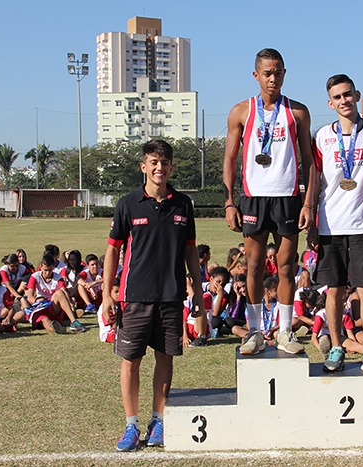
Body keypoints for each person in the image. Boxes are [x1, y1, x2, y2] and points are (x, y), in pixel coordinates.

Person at [101, 139, 205, 451]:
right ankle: (131, 425)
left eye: (165, 163)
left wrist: (197, 292)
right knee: (130, 361)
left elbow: (190, 253)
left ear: (171, 167)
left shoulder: (183, 204)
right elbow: (112, 251)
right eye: (153, 162)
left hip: (171, 297)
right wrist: (107, 293)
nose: (159, 168)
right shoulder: (128, 203)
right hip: (134, 298)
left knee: (165, 360)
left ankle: (158, 419)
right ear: (144, 166)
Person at [222, 48, 317, 356]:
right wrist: (229, 202)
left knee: (286, 267)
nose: (273, 78)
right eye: (267, 73)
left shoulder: (298, 112)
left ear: (285, 74)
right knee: (252, 266)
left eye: (278, 72)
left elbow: (309, 161)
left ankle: (287, 331)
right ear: (256, 75)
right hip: (253, 199)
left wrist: (308, 203)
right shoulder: (241, 111)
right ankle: (254, 332)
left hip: (288, 198)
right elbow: (230, 159)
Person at [308, 74, 363, 375]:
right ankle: (338, 347)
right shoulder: (322, 136)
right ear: (330, 103)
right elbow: (316, 179)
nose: (344, 101)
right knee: (334, 291)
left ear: (356, 95)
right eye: (337, 97)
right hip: (331, 225)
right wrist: (311, 217)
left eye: (348, 95)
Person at [25, 254, 86, 334]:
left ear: (53, 267)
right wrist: (38, 300)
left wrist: (70, 302)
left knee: (59, 293)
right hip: (39, 307)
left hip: (53, 306)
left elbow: (63, 291)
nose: (48, 273)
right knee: (45, 320)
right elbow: (30, 297)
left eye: (50, 270)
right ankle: (57, 328)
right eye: (45, 270)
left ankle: (73, 321)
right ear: (41, 266)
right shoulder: (35, 277)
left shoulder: (58, 278)